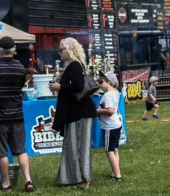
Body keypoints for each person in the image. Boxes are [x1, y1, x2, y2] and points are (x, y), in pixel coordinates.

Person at [0, 36, 34, 193]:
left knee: (1, 152)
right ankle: (28, 180)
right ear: (13, 49)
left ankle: (6, 184)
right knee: (21, 150)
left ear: (0, 49)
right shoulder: (20, 67)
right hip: (17, 114)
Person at [49, 37, 97, 188]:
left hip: (79, 112)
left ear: (68, 50)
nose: (59, 53)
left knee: (78, 146)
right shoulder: (77, 65)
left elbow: (78, 85)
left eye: (61, 49)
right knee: (76, 146)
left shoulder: (75, 65)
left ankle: (82, 180)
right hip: (79, 112)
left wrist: (60, 87)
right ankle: (77, 178)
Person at [96, 72, 123, 181]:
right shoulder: (115, 92)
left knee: (109, 151)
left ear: (108, 82)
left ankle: (117, 175)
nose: (100, 85)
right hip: (116, 125)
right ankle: (115, 172)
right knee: (115, 150)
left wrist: (96, 111)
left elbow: (110, 111)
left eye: (101, 82)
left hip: (110, 127)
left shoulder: (108, 95)